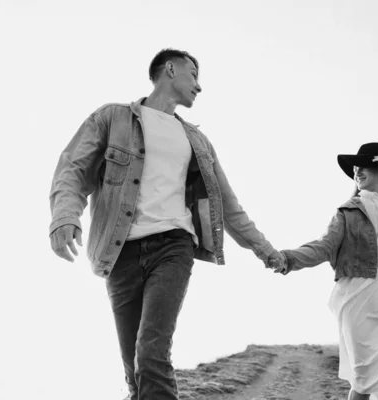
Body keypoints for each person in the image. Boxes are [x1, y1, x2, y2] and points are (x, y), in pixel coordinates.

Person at [48, 48, 285, 400]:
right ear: (170, 69)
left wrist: (265, 250)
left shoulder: (197, 142)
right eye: (194, 75)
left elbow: (229, 207)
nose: (199, 87)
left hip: (173, 248)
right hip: (119, 253)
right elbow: (73, 169)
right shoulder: (112, 118)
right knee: (133, 369)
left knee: (151, 353)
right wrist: (64, 216)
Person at [274, 143, 378, 400]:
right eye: (355, 166)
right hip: (360, 300)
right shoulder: (348, 212)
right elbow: (324, 247)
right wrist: (286, 258)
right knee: (363, 385)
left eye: (364, 164)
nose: (357, 170)